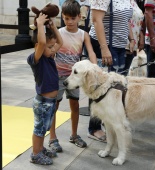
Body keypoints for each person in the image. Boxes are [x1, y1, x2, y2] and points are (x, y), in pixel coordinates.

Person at [49, 0, 97, 151]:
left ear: (79, 17)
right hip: (57, 76)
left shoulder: (84, 35)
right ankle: (52, 138)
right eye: (66, 18)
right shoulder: (59, 33)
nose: (69, 22)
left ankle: (74, 135)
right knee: (54, 106)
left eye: (72, 18)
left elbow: (91, 52)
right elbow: (50, 51)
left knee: (75, 105)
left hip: (74, 78)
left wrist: (95, 68)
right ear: (62, 17)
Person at [87, 0, 133, 142]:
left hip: (119, 45)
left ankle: (112, 124)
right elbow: (96, 20)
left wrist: (131, 38)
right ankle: (94, 128)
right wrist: (104, 48)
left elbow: (125, 19)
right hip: (104, 45)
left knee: (116, 89)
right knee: (99, 87)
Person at [27, 13, 63, 165]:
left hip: (50, 102)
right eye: (50, 47)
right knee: (39, 129)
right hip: (42, 102)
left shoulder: (49, 56)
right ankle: (35, 154)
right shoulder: (35, 59)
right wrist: (40, 25)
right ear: (38, 47)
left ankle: (40, 148)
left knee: (44, 128)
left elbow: (60, 42)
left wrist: (54, 27)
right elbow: (42, 43)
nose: (53, 49)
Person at [122, 0, 145, 76]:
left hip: (133, 44)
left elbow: (137, 20)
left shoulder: (134, 2)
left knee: (124, 75)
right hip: (122, 43)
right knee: (119, 76)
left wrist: (141, 35)